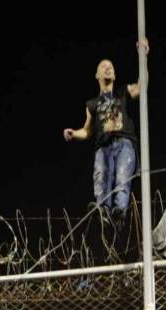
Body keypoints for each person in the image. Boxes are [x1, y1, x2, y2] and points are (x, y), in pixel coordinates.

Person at [61, 41, 146, 228]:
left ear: (114, 75)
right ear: (97, 75)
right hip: (103, 145)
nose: (108, 68)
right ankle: (103, 211)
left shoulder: (122, 93)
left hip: (124, 142)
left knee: (122, 175)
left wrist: (143, 57)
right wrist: (74, 133)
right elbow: (87, 130)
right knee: (101, 174)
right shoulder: (92, 104)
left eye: (111, 67)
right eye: (103, 66)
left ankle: (119, 210)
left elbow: (142, 86)